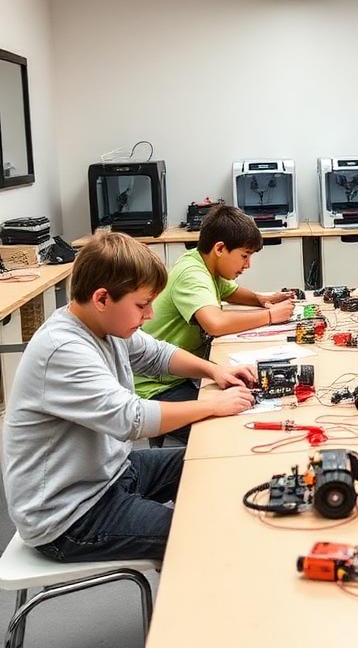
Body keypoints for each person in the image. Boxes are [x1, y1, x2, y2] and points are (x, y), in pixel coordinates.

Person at [2, 232, 255, 563]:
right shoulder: (64, 349)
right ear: (102, 298)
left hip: (109, 473)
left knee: (209, 461)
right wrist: (211, 405)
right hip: (70, 515)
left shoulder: (104, 325)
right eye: (142, 304)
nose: (149, 314)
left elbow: (156, 354)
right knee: (196, 532)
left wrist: (215, 371)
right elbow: (131, 419)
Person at [134, 205, 294, 441]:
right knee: (226, 431)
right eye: (244, 255)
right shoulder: (192, 273)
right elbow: (215, 324)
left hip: (185, 373)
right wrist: (271, 316)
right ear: (220, 248)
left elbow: (229, 291)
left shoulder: (205, 265)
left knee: (245, 397)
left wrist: (262, 299)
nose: (247, 265)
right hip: (159, 386)